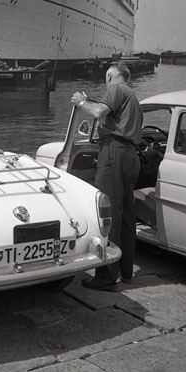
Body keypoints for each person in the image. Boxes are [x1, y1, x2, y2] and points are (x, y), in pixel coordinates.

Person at [71, 62, 142, 291]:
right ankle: (126, 271)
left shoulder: (116, 89)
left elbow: (99, 112)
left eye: (106, 78)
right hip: (130, 155)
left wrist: (81, 102)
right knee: (126, 216)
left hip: (113, 152)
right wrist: (90, 102)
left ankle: (106, 276)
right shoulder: (132, 96)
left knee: (107, 213)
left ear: (110, 76)